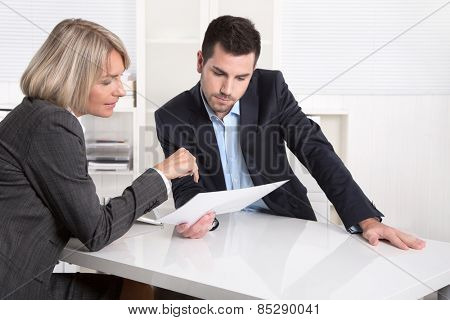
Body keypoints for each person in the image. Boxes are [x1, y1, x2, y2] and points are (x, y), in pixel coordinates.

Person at [155, 15, 425, 250]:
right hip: (218, 230)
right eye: (219, 73)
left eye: (241, 78)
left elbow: (315, 149)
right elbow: (184, 184)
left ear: (252, 72)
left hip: (283, 222)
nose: (228, 89)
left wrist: (365, 218)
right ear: (201, 61)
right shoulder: (171, 115)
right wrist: (200, 219)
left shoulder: (271, 88)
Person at [0, 18, 214, 300]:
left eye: (120, 77)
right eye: (107, 81)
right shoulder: (53, 125)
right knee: (143, 293)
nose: (121, 90)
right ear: (71, 79)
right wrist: (162, 173)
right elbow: (96, 233)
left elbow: (70, 210)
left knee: (134, 287)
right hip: (16, 294)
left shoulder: (32, 113)